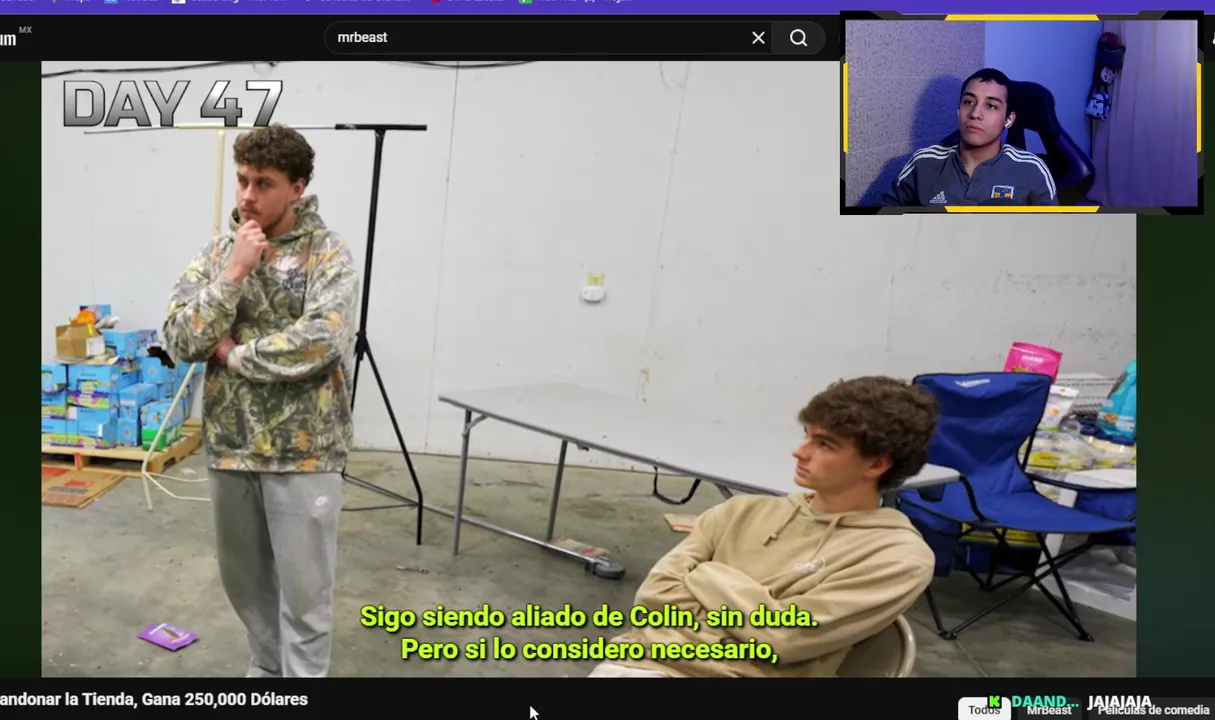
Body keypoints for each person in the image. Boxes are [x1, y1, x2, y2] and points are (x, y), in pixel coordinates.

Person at [161, 124, 359, 678]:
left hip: (304, 453)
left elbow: (321, 340)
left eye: (264, 184)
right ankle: (268, 674)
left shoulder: (327, 253)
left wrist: (235, 355)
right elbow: (179, 339)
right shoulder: (219, 253)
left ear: (297, 188)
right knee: (245, 586)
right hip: (231, 447)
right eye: (243, 180)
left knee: (306, 598)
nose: (247, 196)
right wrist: (234, 273)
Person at [588, 376, 940, 678]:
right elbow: (653, 598)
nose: (799, 452)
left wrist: (705, 575)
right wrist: (756, 616)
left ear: (876, 464)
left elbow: (785, 638)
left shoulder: (897, 557)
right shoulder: (738, 512)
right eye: (806, 435)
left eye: (824, 444)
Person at [880, 68, 1059, 207]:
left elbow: (1050, 237)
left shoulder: (1032, 170)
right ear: (959, 110)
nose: (975, 113)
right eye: (968, 102)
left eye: (990, 106)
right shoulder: (923, 163)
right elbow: (880, 224)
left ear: (1009, 119)